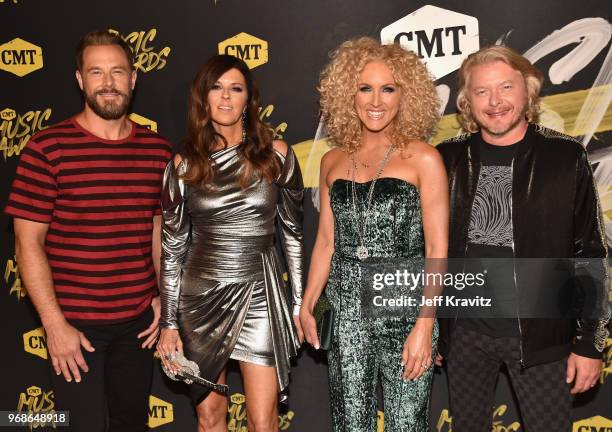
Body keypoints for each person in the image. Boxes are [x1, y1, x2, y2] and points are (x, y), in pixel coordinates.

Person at [436, 45, 611, 432]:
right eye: (481, 92)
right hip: (465, 333)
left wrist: (589, 343)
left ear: (527, 91)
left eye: (506, 87)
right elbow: (425, 247)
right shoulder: (445, 159)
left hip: (541, 334)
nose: (495, 101)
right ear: (466, 101)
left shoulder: (565, 157)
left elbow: (591, 252)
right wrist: (433, 326)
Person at [4, 30, 171, 431]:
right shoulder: (46, 149)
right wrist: (54, 325)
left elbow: (157, 234)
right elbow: (28, 245)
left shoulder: (157, 151)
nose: (109, 83)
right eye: (97, 72)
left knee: (131, 424)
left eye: (118, 72)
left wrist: (165, 299)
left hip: (138, 325)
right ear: (80, 80)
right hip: (75, 328)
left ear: (134, 78)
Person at [300, 37, 448, 432]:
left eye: (388, 89)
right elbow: (326, 242)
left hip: (405, 302)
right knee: (349, 422)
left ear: (406, 96)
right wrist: (307, 301)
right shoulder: (332, 160)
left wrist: (426, 324)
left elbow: (437, 248)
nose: (376, 101)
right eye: (365, 88)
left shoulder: (424, 157)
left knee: (407, 424)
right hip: (346, 306)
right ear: (348, 94)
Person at [156, 54, 304, 432]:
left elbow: (292, 232)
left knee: (263, 420)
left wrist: (300, 303)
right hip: (200, 296)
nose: (225, 98)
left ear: (248, 99)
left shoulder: (277, 155)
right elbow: (172, 249)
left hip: (259, 291)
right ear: (202, 99)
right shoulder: (183, 166)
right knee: (209, 417)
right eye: (215, 88)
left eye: (235, 88)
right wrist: (169, 323)